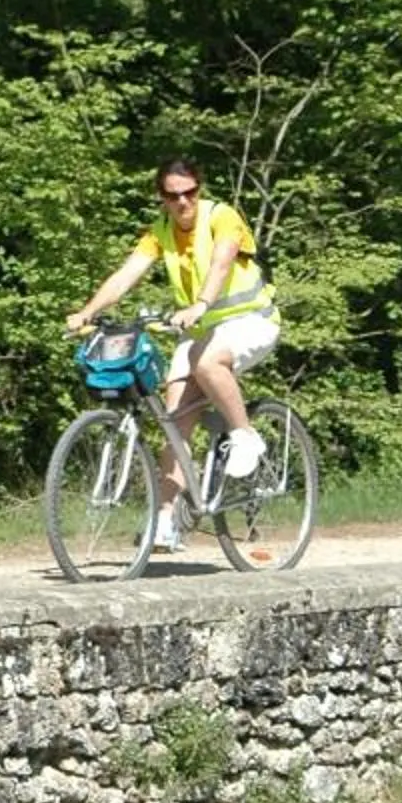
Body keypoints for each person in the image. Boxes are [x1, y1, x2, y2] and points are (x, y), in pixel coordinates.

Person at [65, 156, 280, 552]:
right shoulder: (159, 231)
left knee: (208, 362)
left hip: (252, 320)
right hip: (200, 330)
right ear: (161, 197)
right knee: (172, 421)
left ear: (199, 189)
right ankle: (165, 522)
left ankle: (245, 435)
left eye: (190, 193)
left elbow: (221, 261)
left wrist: (200, 303)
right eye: (173, 195)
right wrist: (88, 312)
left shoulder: (222, 217)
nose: (183, 202)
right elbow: (126, 275)